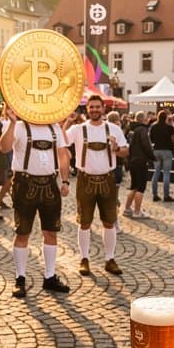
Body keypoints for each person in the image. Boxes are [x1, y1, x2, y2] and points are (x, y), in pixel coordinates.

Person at [0, 105, 71, 297]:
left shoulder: (54, 128)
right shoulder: (19, 126)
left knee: (51, 232)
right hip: (25, 184)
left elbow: (63, 155)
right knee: (23, 232)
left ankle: (49, 277)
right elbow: (4, 147)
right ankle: (20, 278)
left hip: (50, 184)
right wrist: (12, 123)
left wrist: (64, 181)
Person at [70, 94, 129, 276]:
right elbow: (62, 141)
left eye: (98, 107)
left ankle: (109, 259)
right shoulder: (79, 129)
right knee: (84, 222)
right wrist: (67, 121)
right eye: (91, 107)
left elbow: (126, 151)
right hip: (85, 179)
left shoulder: (114, 129)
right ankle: (84, 258)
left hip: (107, 179)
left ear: (104, 108)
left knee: (109, 222)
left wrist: (116, 149)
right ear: (87, 109)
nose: (95, 110)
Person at [123, 110, 154, 218]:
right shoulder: (143, 130)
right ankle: (137, 212)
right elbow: (146, 145)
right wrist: (152, 157)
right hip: (141, 161)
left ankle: (127, 209)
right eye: (146, 118)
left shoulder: (132, 129)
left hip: (132, 161)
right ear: (144, 119)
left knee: (134, 186)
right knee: (140, 187)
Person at [149, 109, 174, 202]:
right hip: (167, 151)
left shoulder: (153, 127)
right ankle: (166, 196)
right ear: (166, 118)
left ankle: (155, 195)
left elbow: (151, 139)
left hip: (156, 150)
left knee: (156, 172)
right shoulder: (169, 127)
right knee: (166, 173)